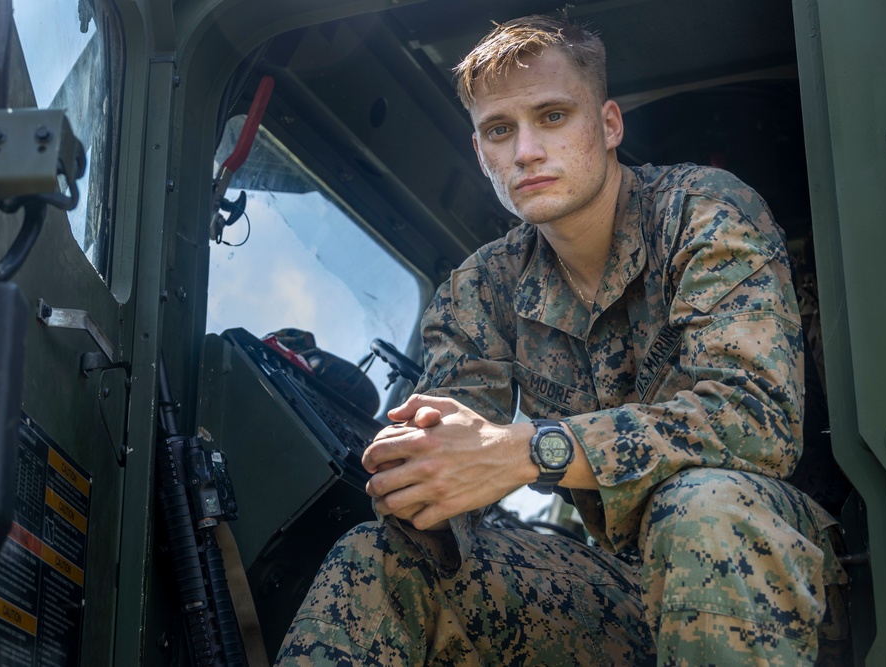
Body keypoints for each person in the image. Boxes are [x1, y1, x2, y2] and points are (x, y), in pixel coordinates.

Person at [275, 10, 849, 666]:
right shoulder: (482, 287)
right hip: (623, 588)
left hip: (776, 572)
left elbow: (755, 423)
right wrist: (422, 477)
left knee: (702, 507)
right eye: (499, 130)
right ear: (480, 152)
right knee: (381, 560)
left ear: (607, 124)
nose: (525, 152)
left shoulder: (703, 211)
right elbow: (454, 452)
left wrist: (530, 451)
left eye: (552, 117)